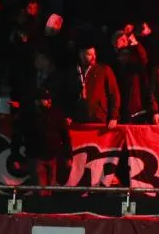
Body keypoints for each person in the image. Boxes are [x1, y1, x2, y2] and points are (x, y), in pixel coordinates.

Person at [18, 49, 70, 187]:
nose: (48, 102)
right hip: (36, 154)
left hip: (51, 154)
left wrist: (67, 155)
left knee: (51, 185)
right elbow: (22, 133)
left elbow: (65, 136)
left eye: (48, 99)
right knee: (39, 187)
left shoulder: (56, 113)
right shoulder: (30, 115)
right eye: (44, 99)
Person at [73, 45, 120, 129]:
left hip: (99, 118)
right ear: (81, 55)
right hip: (79, 119)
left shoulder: (104, 70)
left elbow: (114, 94)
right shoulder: (74, 72)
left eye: (94, 54)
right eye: (89, 54)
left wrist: (114, 116)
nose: (93, 57)